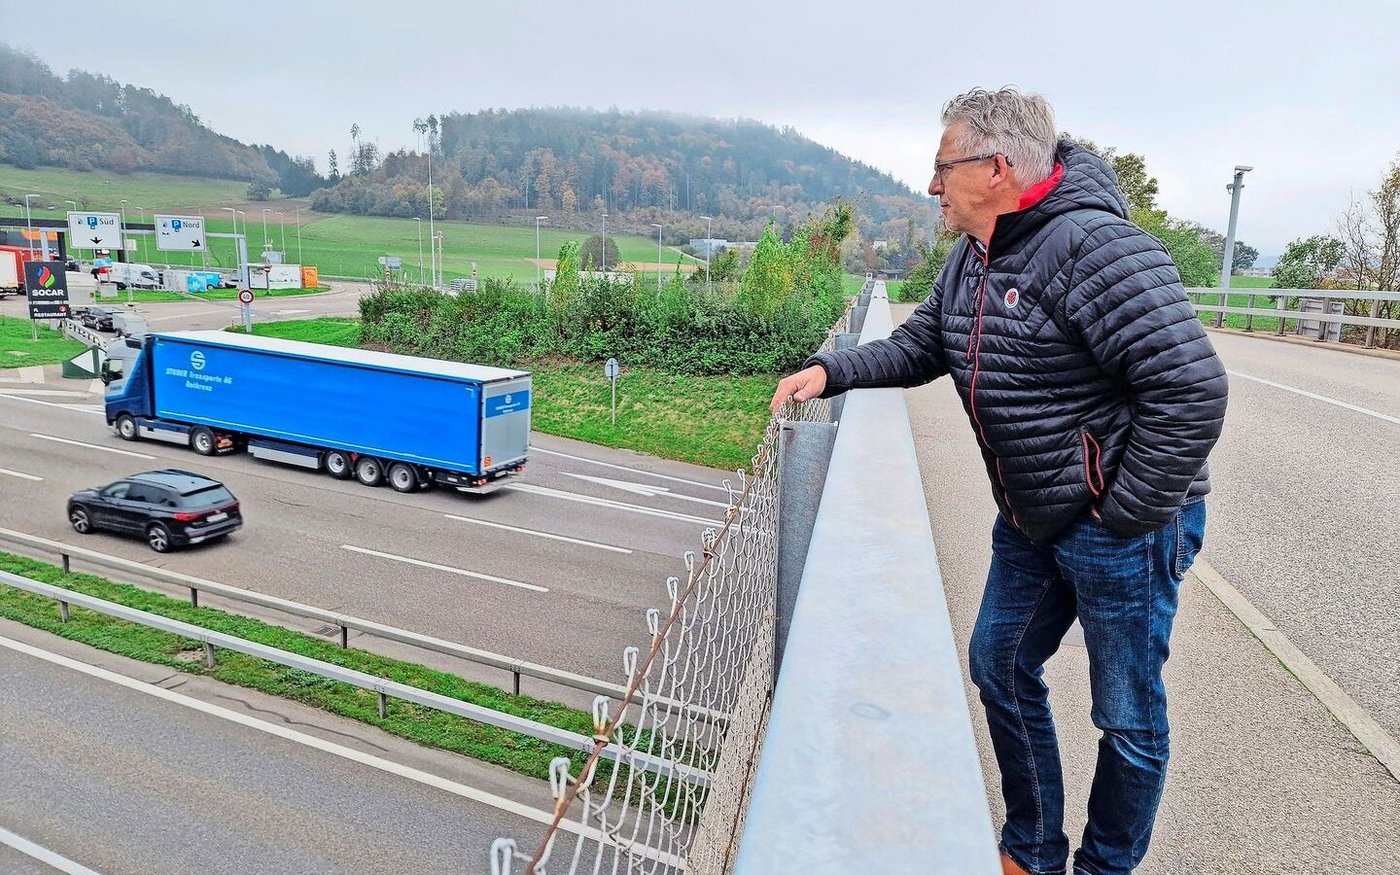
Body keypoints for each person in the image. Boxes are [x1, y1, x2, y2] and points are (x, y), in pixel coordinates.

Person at [770, 87, 1228, 875]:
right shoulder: (974, 256)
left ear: (996, 167)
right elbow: (921, 346)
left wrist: (1124, 513)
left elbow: (1192, 388)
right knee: (999, 663)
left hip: (1120, 523)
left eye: (943, 166)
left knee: (1126, 716)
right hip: (1032, 517)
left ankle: (1104, 865)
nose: (932, 184)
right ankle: (1032, 850)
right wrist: (829, 370)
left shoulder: (1096, 249)